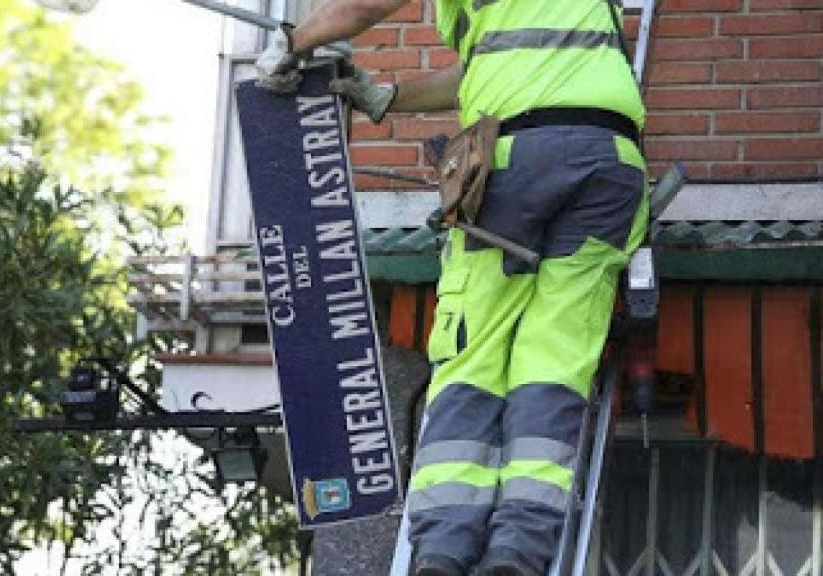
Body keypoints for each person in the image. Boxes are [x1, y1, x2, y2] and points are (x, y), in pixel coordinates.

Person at [256, 2, 647, 575]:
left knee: (474, 353)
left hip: (514, 162)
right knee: (555, 359)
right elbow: (488, 67)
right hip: (611, 166)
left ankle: (444, 547)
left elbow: (363, 7)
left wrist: (292, 43)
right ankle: (518, 551)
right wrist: (388, 97)